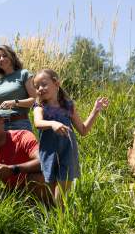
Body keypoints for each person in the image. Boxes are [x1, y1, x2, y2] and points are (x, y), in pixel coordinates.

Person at [32, 69, 109, 205]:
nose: (40, 89)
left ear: (56, 83)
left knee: (60, 195)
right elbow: (38, 123)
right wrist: (53, 124)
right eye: (37, 87)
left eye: (44, 84)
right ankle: (57, 221)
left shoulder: (68, 106)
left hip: (68, 153)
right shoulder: (39, 107)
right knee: (52, 196)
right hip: (49, 154)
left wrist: (95, 111)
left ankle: (61, 223)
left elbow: (83, 130)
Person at [0, 45, 37, 131]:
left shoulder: (23, 74)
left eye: (5, 55)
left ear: (11, 56)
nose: (2, 59)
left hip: (20, 124)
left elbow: (34, 100)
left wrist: (14, 102)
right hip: (1, 127)